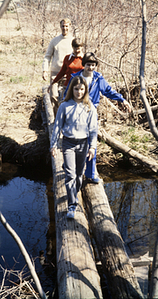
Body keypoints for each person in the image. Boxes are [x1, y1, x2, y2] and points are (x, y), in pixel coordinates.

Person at [64, 52, 132, 183]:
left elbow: (108, 91)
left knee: (91, 143)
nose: (90, 68)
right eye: (88, 65)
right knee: (73, 140)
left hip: (91, 114)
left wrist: (122, 100)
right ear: (83, 65)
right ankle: (69, 165)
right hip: (76, 113)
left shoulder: (98, 79)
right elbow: (67, 95)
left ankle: (90, 174)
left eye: (93, 65)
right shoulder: (75, 78)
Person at [50, 76, 98, 219]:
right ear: (72, 89)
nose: (79, 92)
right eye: (76, 89)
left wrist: (92, 147)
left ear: (85, 90)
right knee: (70, 175)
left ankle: (74, 193)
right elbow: (57, 126)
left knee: (78, 176)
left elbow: (93, 129)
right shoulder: (65, 106)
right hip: (68, 143)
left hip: (83, 143)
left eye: (81, 89)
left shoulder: (89, 106)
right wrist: (53, 145)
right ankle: (72, 205)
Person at [42, 18, 73, 114]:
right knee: (53, 96)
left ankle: (63, 118)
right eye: (63, 26)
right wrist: (45, 70)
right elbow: (47, 57)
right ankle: (56, 119)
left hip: (68, 74)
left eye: (66, 26)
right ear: (60, 27)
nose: (65, 28)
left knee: (65, 99)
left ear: (70, 27)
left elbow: (79, 57)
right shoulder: (54, 41)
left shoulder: (73, 41)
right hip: (55, 73)